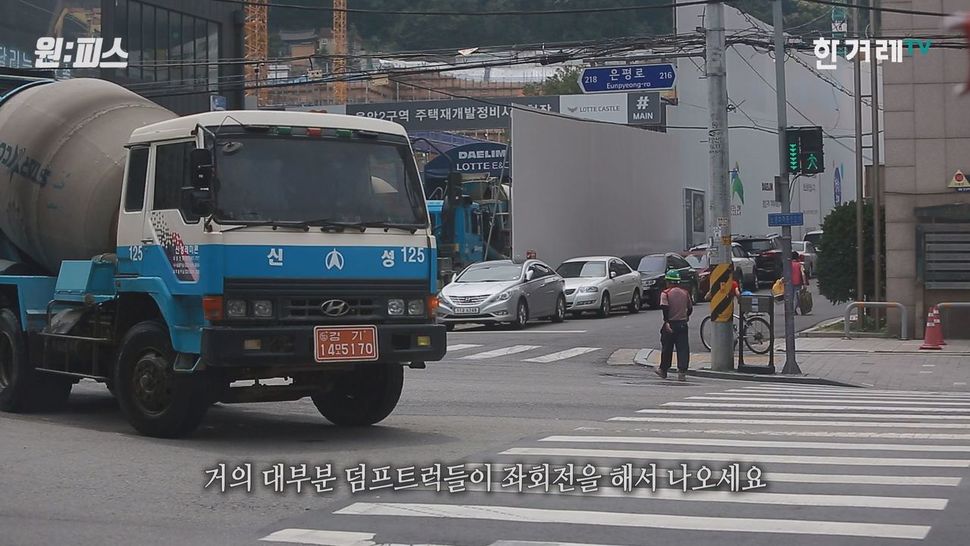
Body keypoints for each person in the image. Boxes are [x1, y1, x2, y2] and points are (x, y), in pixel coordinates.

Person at [655, 270, 693, 381]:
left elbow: (665, 309)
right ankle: (682, 372)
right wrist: (685, 316)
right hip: (682, 324)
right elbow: (690, 308)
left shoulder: (665, 293)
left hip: (670, 324)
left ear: (669, 282)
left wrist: (666, 322)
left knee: (667, 347)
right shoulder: (685, 293)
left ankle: (663, 370)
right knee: (683, 348)